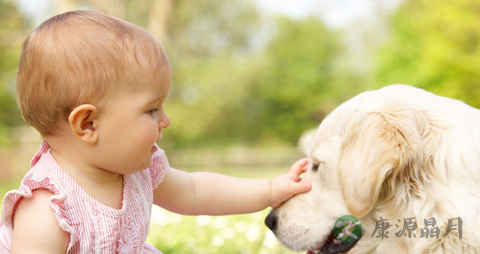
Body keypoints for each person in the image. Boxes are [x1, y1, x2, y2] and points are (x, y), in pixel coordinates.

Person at [0, 10, 311, 253]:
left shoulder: (138, 169)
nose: (165, 120)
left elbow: (195, 192)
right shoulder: (47, 208)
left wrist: (269, 190)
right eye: (151, 109)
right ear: (88, 125)